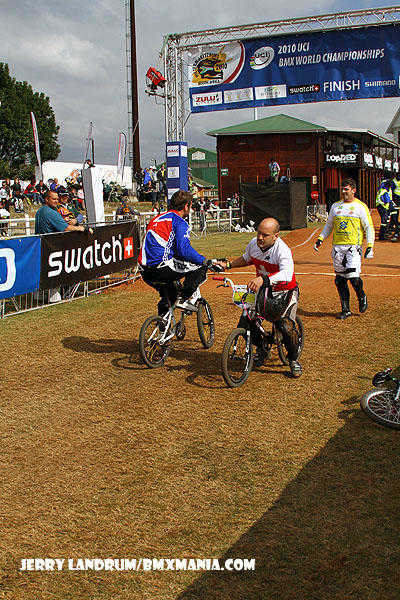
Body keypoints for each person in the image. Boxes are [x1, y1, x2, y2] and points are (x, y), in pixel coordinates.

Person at [218, 217, 302, 378]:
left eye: (265, 235)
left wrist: (263, 279)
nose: (260, 238)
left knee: (286, 327)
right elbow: (246, 258)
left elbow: (287, 274)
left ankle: (293, 359)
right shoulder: (253, 244)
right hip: (262, 290)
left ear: (275, 236)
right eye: (258, 233)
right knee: (247, 321)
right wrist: (228, 265)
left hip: (284, 292)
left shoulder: (282, 250)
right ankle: (262, 347)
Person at [139, 190, 216, 317]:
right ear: (186, 206)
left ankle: (162, 325)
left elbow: (163, 245)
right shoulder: (179, 222)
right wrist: (204, 261)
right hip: (162, 268)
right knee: (200, 266)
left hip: (145, 271)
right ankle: (184, 298)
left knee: (170, 295)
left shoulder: (156, 219)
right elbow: (184, 250)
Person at [314, 178, 374, 319]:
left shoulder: (360, 207)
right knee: (340, 280)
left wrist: (370, 245)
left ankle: (361, 295)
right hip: (338, 248)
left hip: (353, 247)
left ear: (353, 190)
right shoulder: (336, 206)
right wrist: (320, 238)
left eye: (346, 189)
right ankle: (345, 309)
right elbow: (329, 225)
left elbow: (368, 227)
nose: (343, 192)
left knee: (353, 278)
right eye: (342, 189)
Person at [388, 176, 400, 241]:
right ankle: (394, 230)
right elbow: (391, 190)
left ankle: (396, 231)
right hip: (396, 198)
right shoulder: (393, 181)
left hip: (397, 198)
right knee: (395, 214)